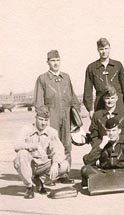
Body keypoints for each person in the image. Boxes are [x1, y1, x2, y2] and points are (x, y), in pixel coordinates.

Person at [33, 50, 80, 184]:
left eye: (57, 60)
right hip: (51, 115)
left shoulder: (66, 77)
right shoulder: (42, 79)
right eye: (52, 60)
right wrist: (44, 119)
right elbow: (38, 102)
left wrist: (76, 113)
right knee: (51, 145)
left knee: (66, 145)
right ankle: (49, 176)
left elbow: (73, 97)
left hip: (66, 115)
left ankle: (64, 174)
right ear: (47, 62)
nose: (55, 63)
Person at [13, 107, 70, 199]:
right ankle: (29, 186)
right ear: (35, 118)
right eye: (40, 119)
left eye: (46, 120)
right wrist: (33, 145)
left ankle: (40, 180)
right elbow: (17, 145)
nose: (43, 123)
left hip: (42, 165)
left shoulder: (52, 132)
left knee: (64, 165)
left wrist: (55, 163)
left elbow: (59, 150)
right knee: (21, 154)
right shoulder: (26, 129)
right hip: (29, 164)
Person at [81, 117, 124, 190]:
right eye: (108, 131)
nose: (111, 133)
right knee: (85, 169)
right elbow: (87, 161)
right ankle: (123, 184)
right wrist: (101, 146)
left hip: (123, 172)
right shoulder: (101, 142)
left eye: (114, 130)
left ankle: (102, 184)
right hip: (104, 173)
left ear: (119, 131)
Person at [83, 37, 124, 118]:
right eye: (101, 49)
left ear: (110, 48)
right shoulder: (91, 68)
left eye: (106, 48)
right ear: (98, 50)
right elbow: (88, 90)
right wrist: (90, 109)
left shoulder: (118, 65)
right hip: (100, 105)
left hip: (119, 104)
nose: (104, 51)